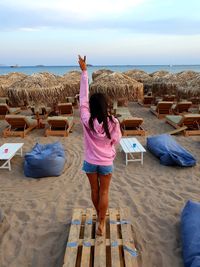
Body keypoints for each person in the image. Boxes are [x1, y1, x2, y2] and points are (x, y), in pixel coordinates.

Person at [78, 55, 122, 235]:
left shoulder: (86, 119)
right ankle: (102, 223)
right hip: (105, 162)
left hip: (90, 161)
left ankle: (98, 217)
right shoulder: (113, 122)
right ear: (105, 106)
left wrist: (84, 72)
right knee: (104, 192)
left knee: (94, 190)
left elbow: (83, 100)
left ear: (92, 108)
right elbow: (116, 140)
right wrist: (109, 146)